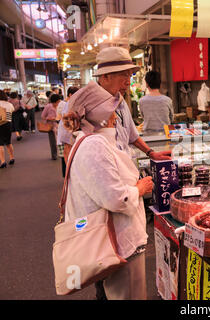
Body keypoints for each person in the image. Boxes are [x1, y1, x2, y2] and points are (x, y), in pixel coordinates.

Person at [62, 83, 154, 300]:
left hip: (108, 241)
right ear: (103, 114)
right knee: (129, 294)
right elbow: (116, 198)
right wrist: (140, 188)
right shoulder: (95, 144)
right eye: (112, 109)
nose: (116, 115)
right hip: (118, 243)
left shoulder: (85, 140)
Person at [93, 46, 171, 160]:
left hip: (126, 168)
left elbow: (132, 135)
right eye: (124, 75)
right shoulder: (88, 107)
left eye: (129, 76)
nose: (128, 82)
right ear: (105, 77)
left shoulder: (121, 101)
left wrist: (150, 152)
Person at [56, 86, 79, 177]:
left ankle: (67, 176)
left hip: (66, 134)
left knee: (67, 155)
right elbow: (66, 119)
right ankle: (68, 177)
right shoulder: (69, 103)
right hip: (67, 134)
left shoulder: (67, 103)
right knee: (68, 155)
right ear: (70, 94)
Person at [41, 94, 60, 160]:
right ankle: (54, 155)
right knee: (53, 142)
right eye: (58, 101)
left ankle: (62, 154)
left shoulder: (60, 106)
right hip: (51, 126)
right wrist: (49, 118)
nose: (58, 103)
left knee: (61, 140)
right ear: (54, 101)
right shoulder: (48, 106)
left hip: (59, 125)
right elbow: (43, 116)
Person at [0, 90, 15, 168]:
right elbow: (12, 111)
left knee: (0, 144)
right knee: (8, 142)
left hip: (0, 124)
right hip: (8, 124)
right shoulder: (9, 104)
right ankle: (12, 158)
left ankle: (3, 162)